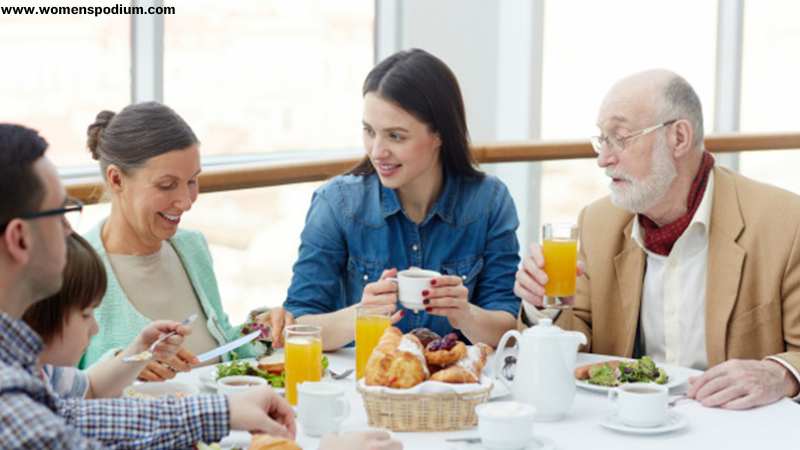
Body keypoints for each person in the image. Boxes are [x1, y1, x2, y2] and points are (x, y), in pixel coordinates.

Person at [514, 69, 800, 409]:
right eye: (602, 140)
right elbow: (579, 349)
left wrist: (779, 374)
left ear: (678, 138)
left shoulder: (784, 221)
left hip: (734, 428)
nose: (604, 158)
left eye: (620, 137)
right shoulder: (598, 222)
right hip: (628, 424)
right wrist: (543, 304)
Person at [0, 123, 295, 448]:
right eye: (61, 214)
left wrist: (222, 411)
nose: (70, 231)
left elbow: (71, 413)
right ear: (19, 238)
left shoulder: (22, 367)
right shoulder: (11, 406)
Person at [284, 48, 521, 350]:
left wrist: (465, 315)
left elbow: (509, 327)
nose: (377, 151)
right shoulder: (337, 203)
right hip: (365, 387)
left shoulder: (489, 201)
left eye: (396, 136)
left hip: (456, 390)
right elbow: (298, 324)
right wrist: (361, 315)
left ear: (439, 135)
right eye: (369, 131)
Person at [79, 102, 292, 378]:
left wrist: (260, 332)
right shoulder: (75, 269)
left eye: (192, 181)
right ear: (117, 179)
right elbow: (52, 385)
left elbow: (219, 345)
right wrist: (120, 365)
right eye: (167, 185)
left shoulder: (191, 247)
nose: (186, 201)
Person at [23, 232, 192, 398]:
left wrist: (142, 348)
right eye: (86, 314)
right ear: (38, 315)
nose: (95, 329)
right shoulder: (18, 399)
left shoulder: (47, 373)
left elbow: (92, 389)